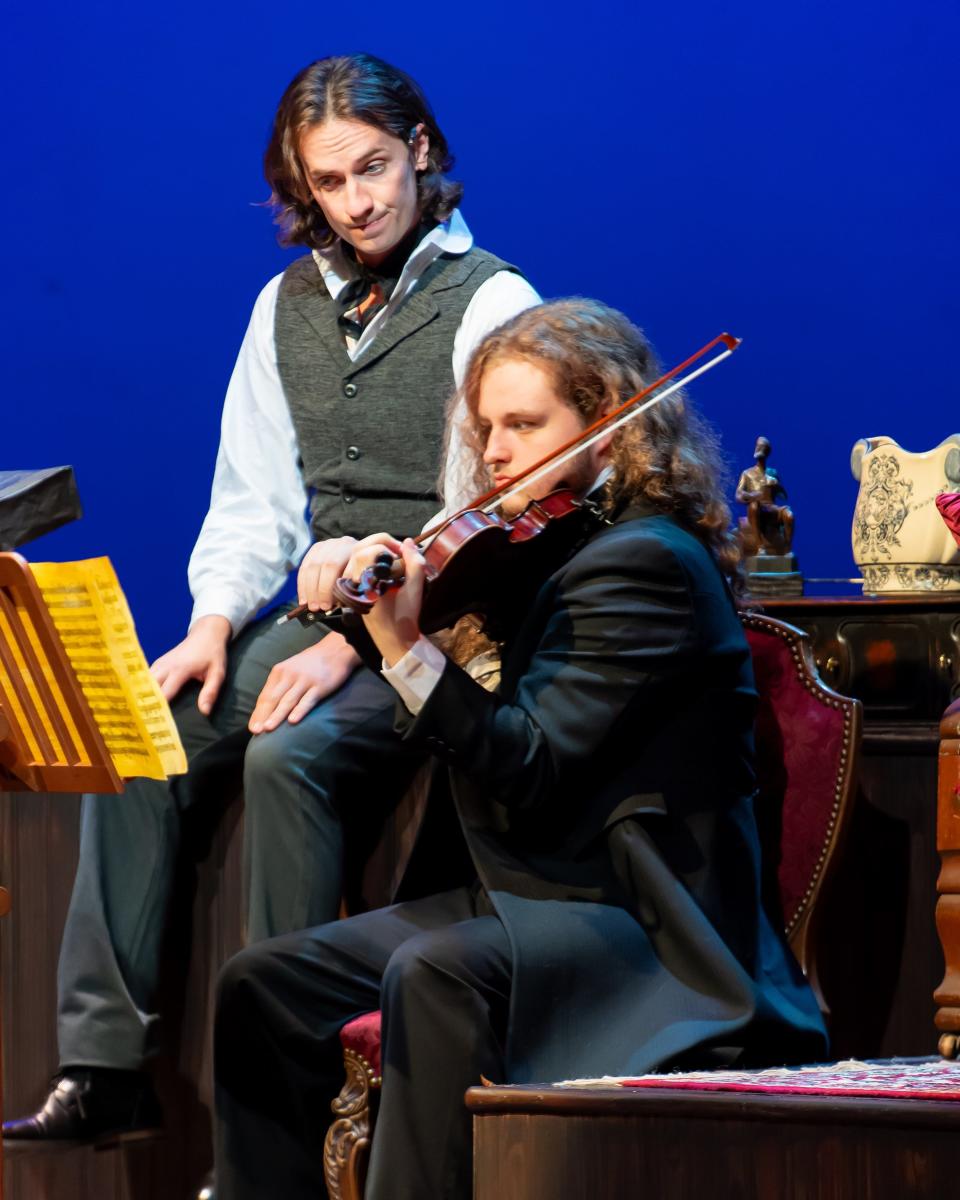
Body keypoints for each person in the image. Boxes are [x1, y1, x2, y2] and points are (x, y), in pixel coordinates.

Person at [4, 52, 538, 1145]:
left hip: (432, 630)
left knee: (286, 753)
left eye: (375, 169)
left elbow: (472, 522)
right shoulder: (285, 304)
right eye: (330, 184)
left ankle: (282, 1106)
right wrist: (210, 628)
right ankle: (105, 1068)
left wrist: (353, 642)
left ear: (422, 151)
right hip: (314, 608)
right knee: (150, 730)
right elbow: (252, 503)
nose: (358, 201)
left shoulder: (493, 301)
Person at [212, 300, 828, 1200]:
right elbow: (437, 727)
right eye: (487, 427)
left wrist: (403, 641)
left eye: (524, 425)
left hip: (640, 919)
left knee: (431, 971)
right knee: (263, 982)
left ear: (608, 429)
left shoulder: (644, 562)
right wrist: (383, 604)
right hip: (529, 892)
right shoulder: (538, 551)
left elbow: (527, 764)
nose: (495, 451)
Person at [735, 435, 794, 554]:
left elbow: (783, 497)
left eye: (764, 447)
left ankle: (787, 547)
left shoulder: (772, 473)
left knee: (789, 515)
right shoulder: (747, 473)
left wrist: (777, 485)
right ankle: (760, 545)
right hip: (758, 508)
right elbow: (738, 495)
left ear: (768, 452)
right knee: (753, 506)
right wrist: (751, 496)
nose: (760, 449)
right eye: (759, 446)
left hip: (772, 508)